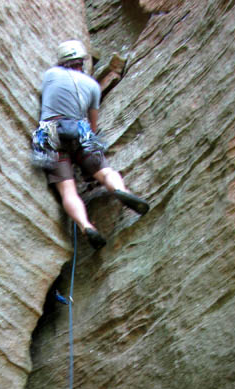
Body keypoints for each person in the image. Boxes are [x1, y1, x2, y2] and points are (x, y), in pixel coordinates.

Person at [35, 39, 149, 249]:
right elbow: (93, 124)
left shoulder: (51, 75)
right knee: (105, 171)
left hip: (51, 133)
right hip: (80, 132)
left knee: (67, 190)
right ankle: (118, 190)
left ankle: (86, 226)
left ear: (62, 61)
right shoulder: (92, 86)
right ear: (82, 62)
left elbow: (45, 97)